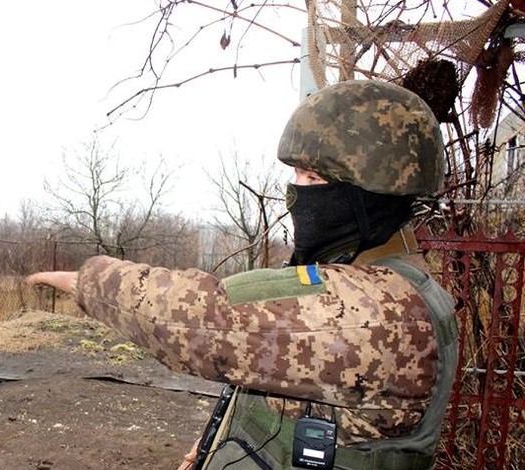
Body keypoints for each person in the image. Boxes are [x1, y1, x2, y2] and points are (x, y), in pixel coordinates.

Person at [26, 79, 458, 470]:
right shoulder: (368, 278)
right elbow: (276, 375)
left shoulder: (386, 310)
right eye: (295, 175)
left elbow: (206, 322)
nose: (297, 192)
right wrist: (215, 445)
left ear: (371, 196)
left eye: (312, 177)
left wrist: (88, 280)